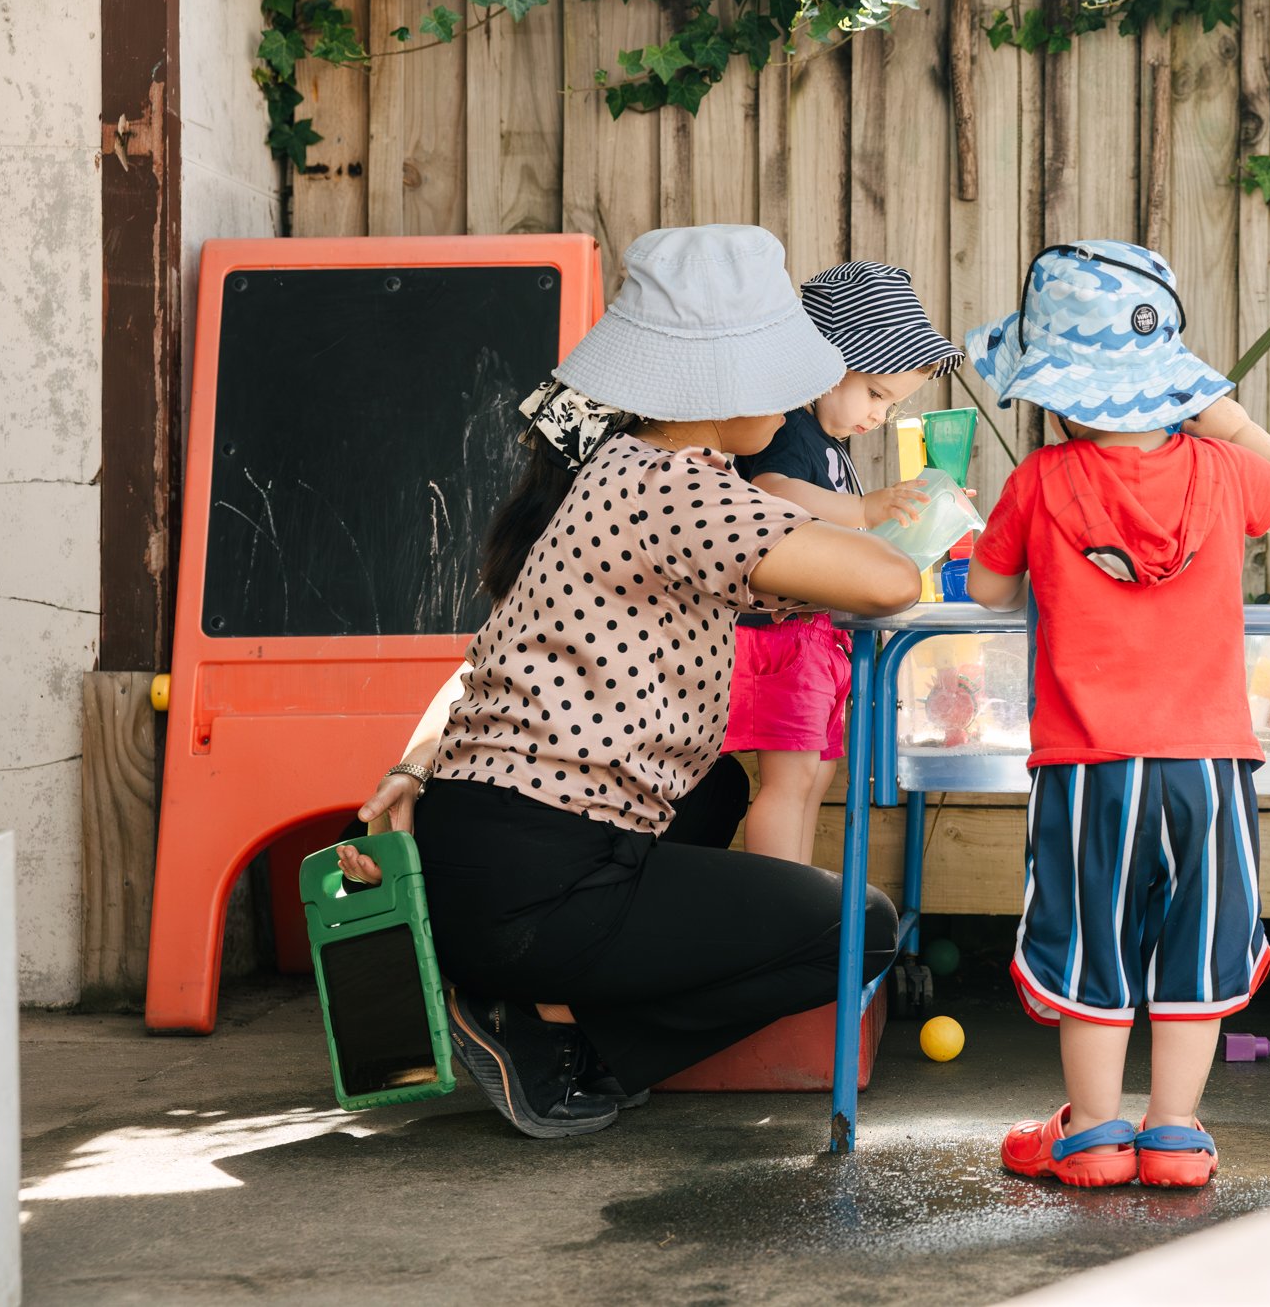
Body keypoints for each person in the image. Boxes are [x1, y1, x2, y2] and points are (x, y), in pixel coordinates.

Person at [336, 225, 921, 1139]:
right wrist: (875, 521)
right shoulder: (684, 489)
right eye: (780, 370)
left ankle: (525, 990)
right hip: (541, 878)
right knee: (863, 929)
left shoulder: (615, 469)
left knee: (723, 781)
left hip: (494, 844)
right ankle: (559, 1042)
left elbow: (490, 659)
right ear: (719, 385)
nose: (802, 392)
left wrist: (415, 769)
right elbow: (893, 581)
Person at [959, 240, 1270, 1188]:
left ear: (1056, 389)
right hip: (1208, 764)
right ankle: (1173, 1132)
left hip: (1086, 768)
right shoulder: (1225, 472)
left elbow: (993, 591)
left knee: (1089, 944)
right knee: (1197, 940)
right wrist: (1235, 420)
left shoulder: (1036, 483)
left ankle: (1092, 1130)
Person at [724, 261, 966, 863]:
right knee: (789, 780)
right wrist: (863, 508)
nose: (880, 415)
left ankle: (796, 895)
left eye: (891, 404)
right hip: (778, 636)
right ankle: (777, 903)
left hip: (817, 637)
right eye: (877, 393)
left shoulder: (831, 448)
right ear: (824, 366)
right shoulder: (785, 430)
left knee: (815, 778)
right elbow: (774, 496)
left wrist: (908, 517)